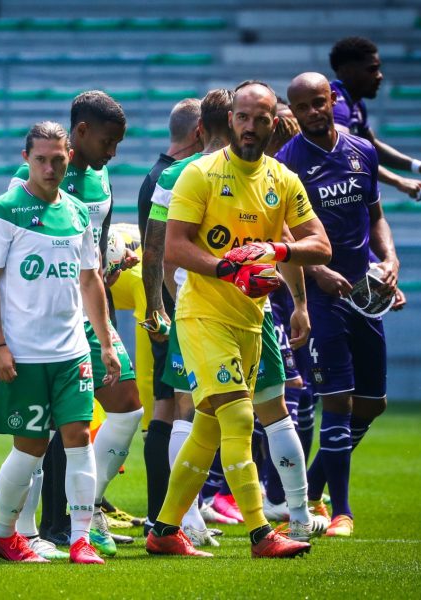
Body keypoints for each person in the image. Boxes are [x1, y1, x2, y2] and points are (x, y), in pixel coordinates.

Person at [145, 81, 331, 559]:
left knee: (208, 427)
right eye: (243, 117)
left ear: (274, 122)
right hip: (202, 315)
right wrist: (229, 267)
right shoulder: (200, 174)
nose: (251, 126)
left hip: (253, 319)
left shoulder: (282, 180)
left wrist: (275, 249)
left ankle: (164, 530)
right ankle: (261, 534)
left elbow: (320, 245)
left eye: (261, 118)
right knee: (240, 415)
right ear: (231, 120)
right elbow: (176, 245)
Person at [0, 121, 121, 565]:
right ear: (26, 159)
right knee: (31, 447)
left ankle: (80, 539)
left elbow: (90, 279)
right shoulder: (2, 211)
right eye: (40, 158)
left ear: (69, 157)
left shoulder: (78, 212)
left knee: (78, 436)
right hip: (23, 354)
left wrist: (105, 340)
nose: (50, 167)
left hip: (72, 350)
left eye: (58, 159)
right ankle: (1, 533)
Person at [8, 92, 142, 557]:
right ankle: (35, 529)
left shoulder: (101, 176)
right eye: (108, 141)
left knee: (127, 406)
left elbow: (96, 241)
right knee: (46, 425)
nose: (112, 152)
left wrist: (110, 264)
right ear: (80, 132)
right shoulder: (37, 183)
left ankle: (85, 509)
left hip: (91, 306)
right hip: (51, 313)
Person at [277, 72, 400, 538]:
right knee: (338, 403)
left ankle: (311, 484)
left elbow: (375, 217)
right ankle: (341, 511)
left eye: (318, 102)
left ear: (332, 100)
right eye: (301, 106)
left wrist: (389, 259)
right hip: (321, 300)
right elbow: (281, 236)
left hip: (364, 296)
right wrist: (313, 272)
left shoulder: (360, 151)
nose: (311, 112)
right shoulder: (286, 165)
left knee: (373, 404)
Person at [144, 89, 239, 543]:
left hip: (198, 306)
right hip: (206, 308)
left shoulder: (175, 173)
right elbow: (159, 250)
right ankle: (186, 516)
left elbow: (159, 253)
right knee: (197, 407)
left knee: (198, 409)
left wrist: (162, 302)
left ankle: (187, 515)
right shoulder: (191, 174)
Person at [138, 98, 202, 528]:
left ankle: (163, 512)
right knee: (179, 406)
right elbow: (156, 253)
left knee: (166, 405)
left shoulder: (155, 175)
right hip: (177, 309)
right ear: (201, 133)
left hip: (167, 307)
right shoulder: (173, 178)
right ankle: (170, 514)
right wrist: (171, 310)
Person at [328, 36, 421, 203]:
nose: (380, 76)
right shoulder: (336, 104)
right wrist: (398, 181)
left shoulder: (355, 105)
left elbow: (372, 147)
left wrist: (418, 167)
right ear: (347, 70)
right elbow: (342, 153)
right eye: (372, 69)